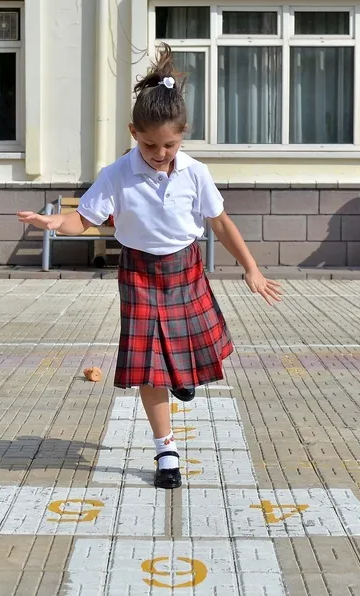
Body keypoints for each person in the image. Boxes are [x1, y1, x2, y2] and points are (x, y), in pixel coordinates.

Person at [17, 43, 282, 489]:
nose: (160, 154)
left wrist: (251, 268)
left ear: (184, 136)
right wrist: (54, 222)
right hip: (139, 273)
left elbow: (219, 223)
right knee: (147, 366)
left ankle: (182, 377)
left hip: (185, 270)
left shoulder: (195, 173)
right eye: (150, 145)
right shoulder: (117, 173)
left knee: (191, 348)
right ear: (133, 133)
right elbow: (83, 218)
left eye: (170, 145)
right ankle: (166, 453)